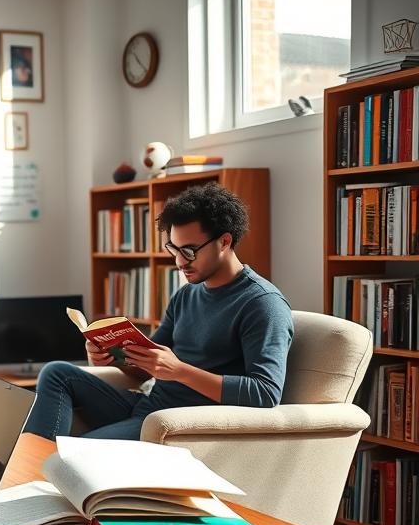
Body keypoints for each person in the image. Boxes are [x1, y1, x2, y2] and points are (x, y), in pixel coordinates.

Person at [24, 182, 294, 441]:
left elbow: (265, 393)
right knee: (56, 372)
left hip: (180, 426)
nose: (179, 262)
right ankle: (31, 469)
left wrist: (179, 371)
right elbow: (145, 370)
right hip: (150, 408)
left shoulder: (262, 304)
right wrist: (110, 356)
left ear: (224, 241)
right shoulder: (186, 295)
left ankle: (34, 472)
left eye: (189, 251)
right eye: (173, 249)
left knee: (74, 453)